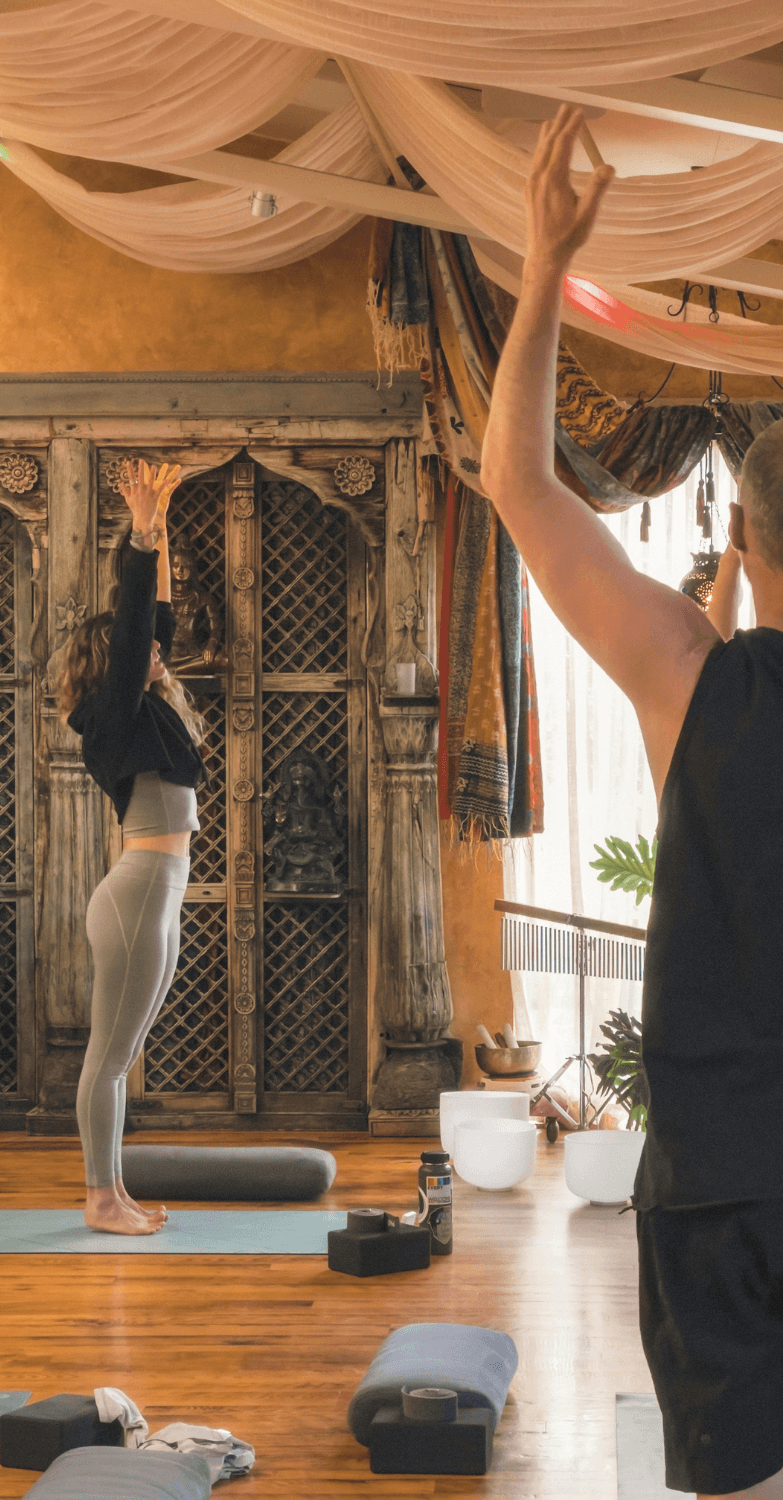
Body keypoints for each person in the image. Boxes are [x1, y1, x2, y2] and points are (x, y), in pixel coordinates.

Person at [483, 103, 783, 1500]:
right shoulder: (695, 666)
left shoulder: (691, 677)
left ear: (740, 530)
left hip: (722, 1183)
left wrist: (547, 264)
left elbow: (520, 484)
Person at [58, 460, 206, 1235]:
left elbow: (159, 622)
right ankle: (98, 1199)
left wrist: (165, 519)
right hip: (140, 890)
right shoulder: (112, 714)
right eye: (141, 645)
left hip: (158, 890)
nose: (159, 650)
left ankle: (112, 1193)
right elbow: (136, 623)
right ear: (111, 660)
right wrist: (141, 533)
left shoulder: (145, 709)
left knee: (121, 1054)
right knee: (109, 1057)